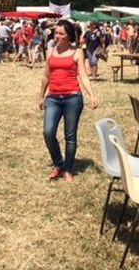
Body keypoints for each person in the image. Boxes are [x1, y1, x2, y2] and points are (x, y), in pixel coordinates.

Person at [39, 20, 99, 182]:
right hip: (53, 98)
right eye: (55, 33)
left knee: (70, 136)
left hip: (72, 97)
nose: (56, 36)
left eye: (60, 33)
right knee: (48, 132)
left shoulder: (78, 52)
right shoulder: (50, 51)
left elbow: (83, 76)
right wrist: (41, 95)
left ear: (69, 36)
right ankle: (58, 163)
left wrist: (92, 94)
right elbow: (46, 75)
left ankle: (68, 169)